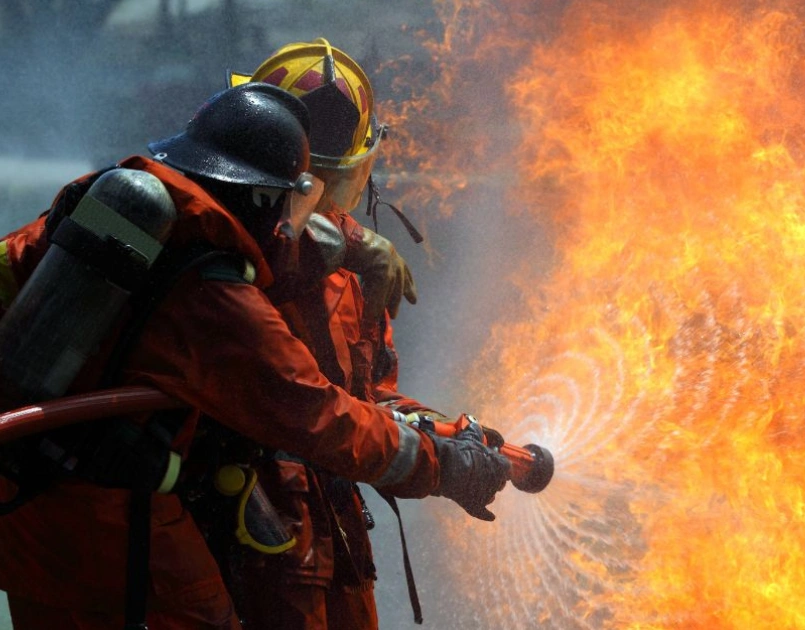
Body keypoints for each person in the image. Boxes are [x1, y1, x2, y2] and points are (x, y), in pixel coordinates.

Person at [0, 82, 511, 629]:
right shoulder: (213, 297)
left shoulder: (104, 214)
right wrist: (442, 465)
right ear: (261, 197)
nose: (290, 222)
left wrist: (353, 244)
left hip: (24, 512)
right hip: (111, 535)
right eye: (290, 202)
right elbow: (319, 416)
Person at [204, 39, 437, 630]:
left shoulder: (358, 274)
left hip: (328, 539)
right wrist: (429, 463)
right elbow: (307, 407)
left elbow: (368, 398)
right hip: (250, 539)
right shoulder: (217, 261)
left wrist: (452, 439)